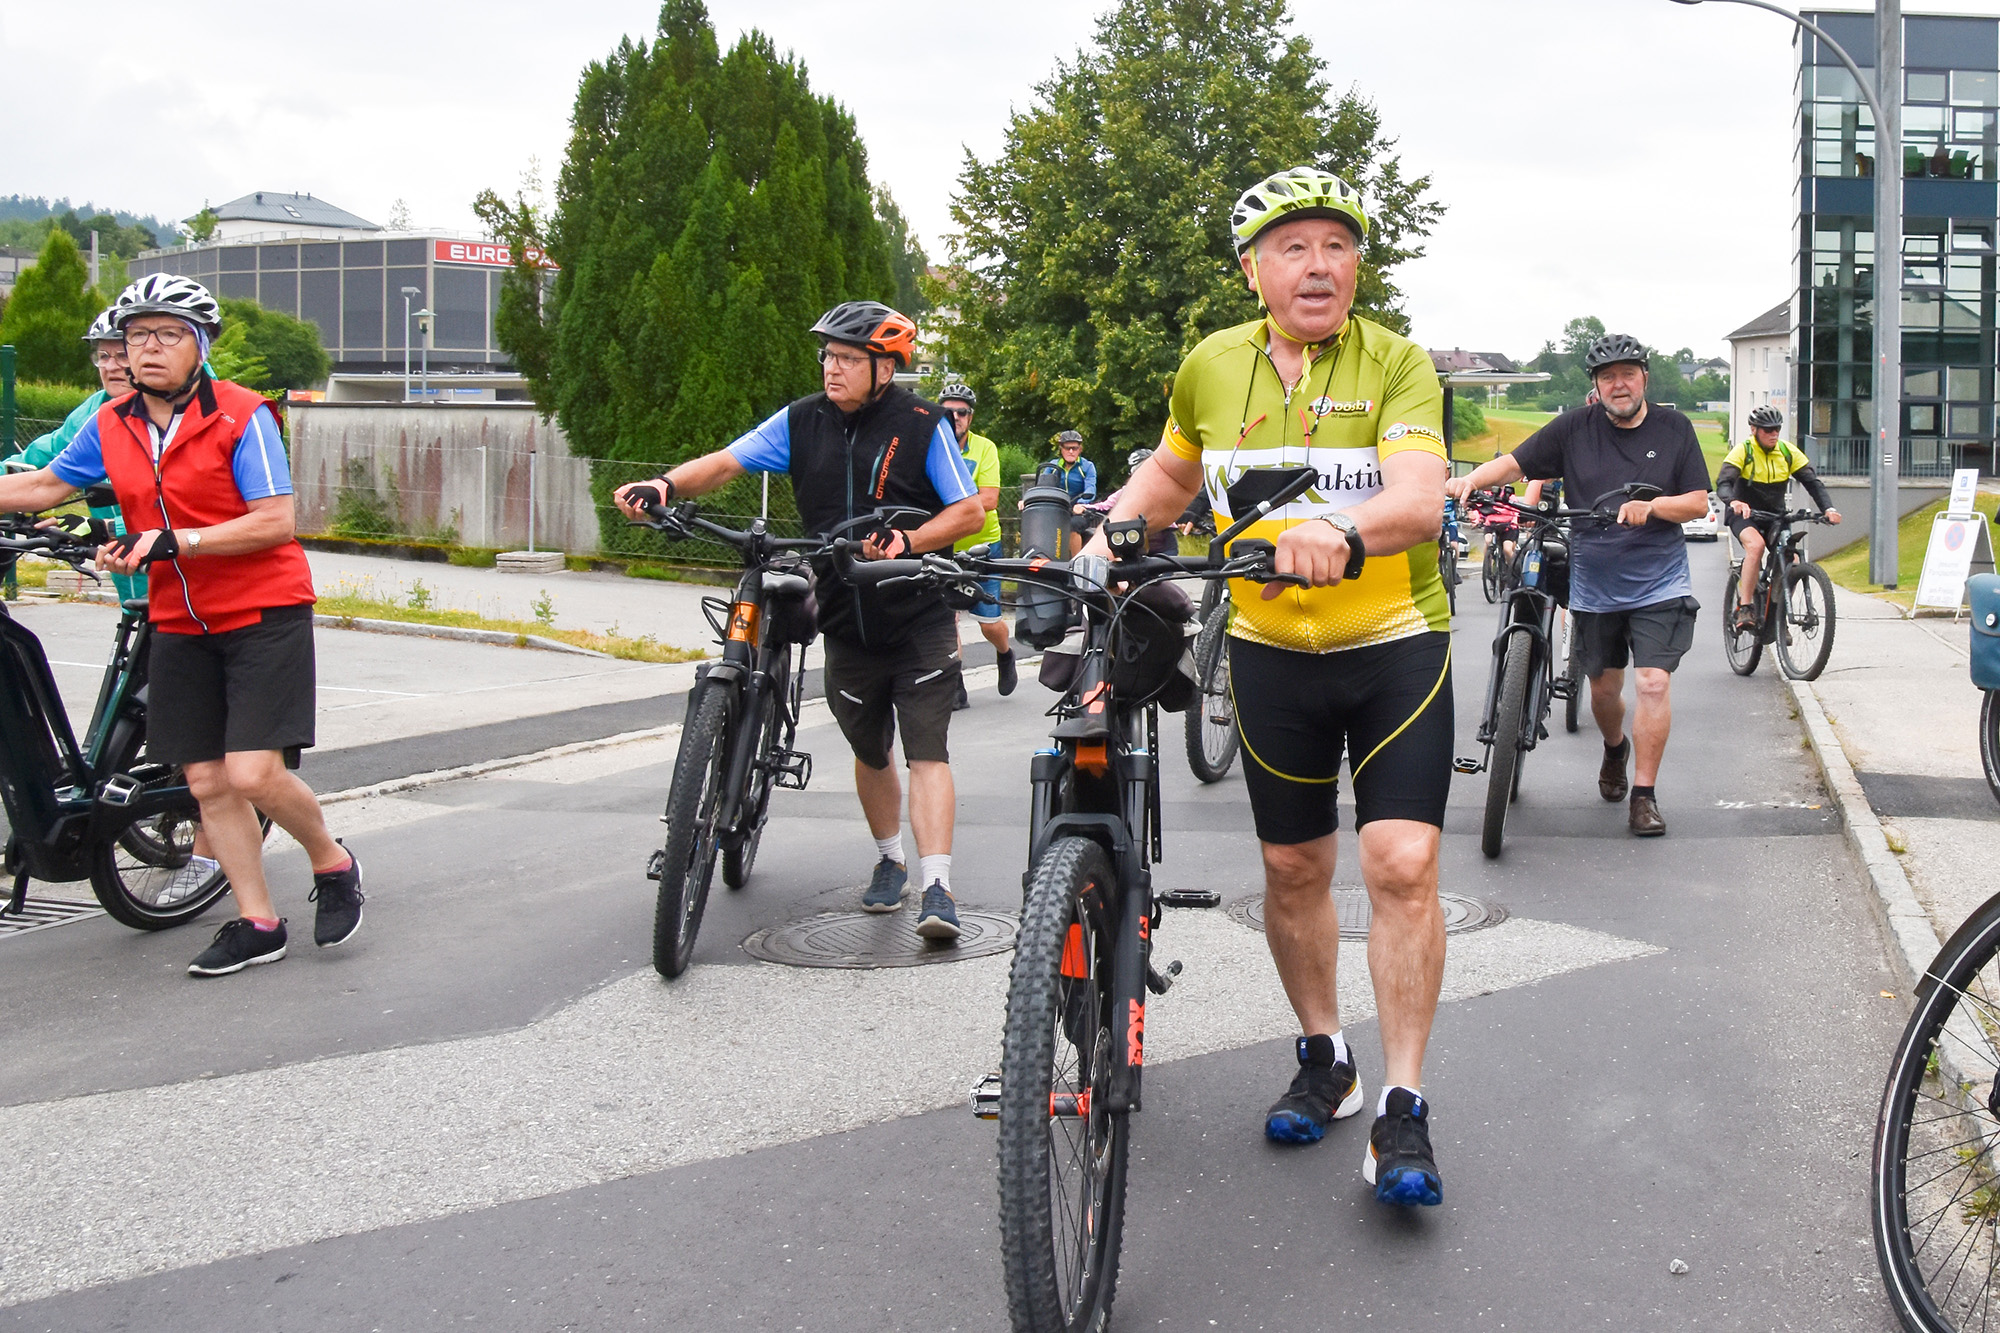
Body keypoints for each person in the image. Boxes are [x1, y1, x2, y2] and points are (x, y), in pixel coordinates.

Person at [1085, 167, 1454, 1207]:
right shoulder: (1210, 365)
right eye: (1294, 247)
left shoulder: (1395, 363)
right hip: (1267, 648)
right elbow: (1170, 475)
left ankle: (1403, 1104)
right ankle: (1325, 1056)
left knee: (1401, 862)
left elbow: (1418, 498)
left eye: (1337, 246)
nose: (1319, 265)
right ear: (1252, 269)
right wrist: (1107, 535)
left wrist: (1338, 528)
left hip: (1392, 641)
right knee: (1292, 868)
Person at [0, 275, 364, 976]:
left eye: (168, 334)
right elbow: (45, 486)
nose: (148, 348)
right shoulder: (113, 422)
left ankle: (333, 861)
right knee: (206, 780)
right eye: (137, 336)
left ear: (200, 345)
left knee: (253, 772)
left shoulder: (242, 415)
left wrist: (175, 541)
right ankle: (259, 922)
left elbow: (275, 520)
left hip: (262, 611)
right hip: (178, 617)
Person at [612, 301, 984, 938]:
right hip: (843, 614)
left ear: (885, 367)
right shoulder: (801, 420)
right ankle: (890, 861)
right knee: (869, 749)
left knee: (926, 749)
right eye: (828, 356)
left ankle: (937, 887)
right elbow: (726, 462)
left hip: (917, 613)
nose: (832, 368)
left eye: (847, 358)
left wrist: (909, 541)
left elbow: (968, 512)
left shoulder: (924, 425)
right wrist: (666, 486)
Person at [1447, 332, 1712, 837]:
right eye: (1608, 377)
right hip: (1595, 580)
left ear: (1644, 378)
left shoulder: (1674, 428)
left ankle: (1644, 796)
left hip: (1659, 580)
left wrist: (1652, 506)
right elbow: (1515, 463)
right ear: (1596, 384)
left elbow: (1697, 502)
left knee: (1652, 683)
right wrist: (1470, 480)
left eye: (1628, 374)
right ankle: (1615, 747)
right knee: (1604, 692)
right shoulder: (1574, 428)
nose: (1619, 384)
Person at [3, 309, 146, 602]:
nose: (110, 367)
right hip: (127, 576)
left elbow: (191, 507)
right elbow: (42, 462)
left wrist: (109, 528)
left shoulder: (195, 413)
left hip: (189, 579)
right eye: (103, 356)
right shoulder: (96, 412)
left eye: (121, 355)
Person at [1719, 405, 1841, 628]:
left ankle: (1779, 613)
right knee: (1755, 547)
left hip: (1775, 516)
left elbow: (1812, 483)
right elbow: (1724, 483)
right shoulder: (1743, 450)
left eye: (1777, 429)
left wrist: (1829, 509)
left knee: (1792, 561)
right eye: (1768, 430)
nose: (1774, 433)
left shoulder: (1787, 451)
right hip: (1744, 514)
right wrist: (1733, 501)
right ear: (1754, 430)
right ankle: (1745, 607)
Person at [938, 380, 1018, 708]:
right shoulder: (928, 446)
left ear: (970, 417)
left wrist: (943, 503)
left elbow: (988, 499)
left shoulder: (984, 448)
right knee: (946, 619)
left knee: (989, 623)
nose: (955, 417)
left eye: (962, 412)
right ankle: (954, 682)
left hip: (982, 546)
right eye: (948, 412)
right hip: (942, 545)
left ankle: (1005, 653)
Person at [1046, 429, 1097, 555]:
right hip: (1057, 508)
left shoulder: (1087, 466)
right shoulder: (1053, 466)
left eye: (1074, 448)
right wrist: (1027, 500)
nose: (1071, 451)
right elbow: (1042, 486)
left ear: (1080, 449)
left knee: (1072, 526)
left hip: (1079, 510)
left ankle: (1075, 562)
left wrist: (1082, 503)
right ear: (1061, 449)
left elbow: (1090, 488)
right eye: (1067, 448)